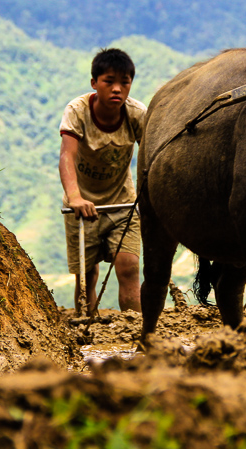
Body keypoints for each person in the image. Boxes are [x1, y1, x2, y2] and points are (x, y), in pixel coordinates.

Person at [58, 48, 145, 315]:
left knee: (129, 266)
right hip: (82, 204)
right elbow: (67, 156)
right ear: (95, 83)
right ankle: (88, 328)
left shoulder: (136, 114)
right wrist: (74, 197)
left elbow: (152, 156)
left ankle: (134, 328)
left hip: (122, 204)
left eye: (125, 82)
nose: (117, 89)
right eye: (109, 81)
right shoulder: (78, 111)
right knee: (87, 275)